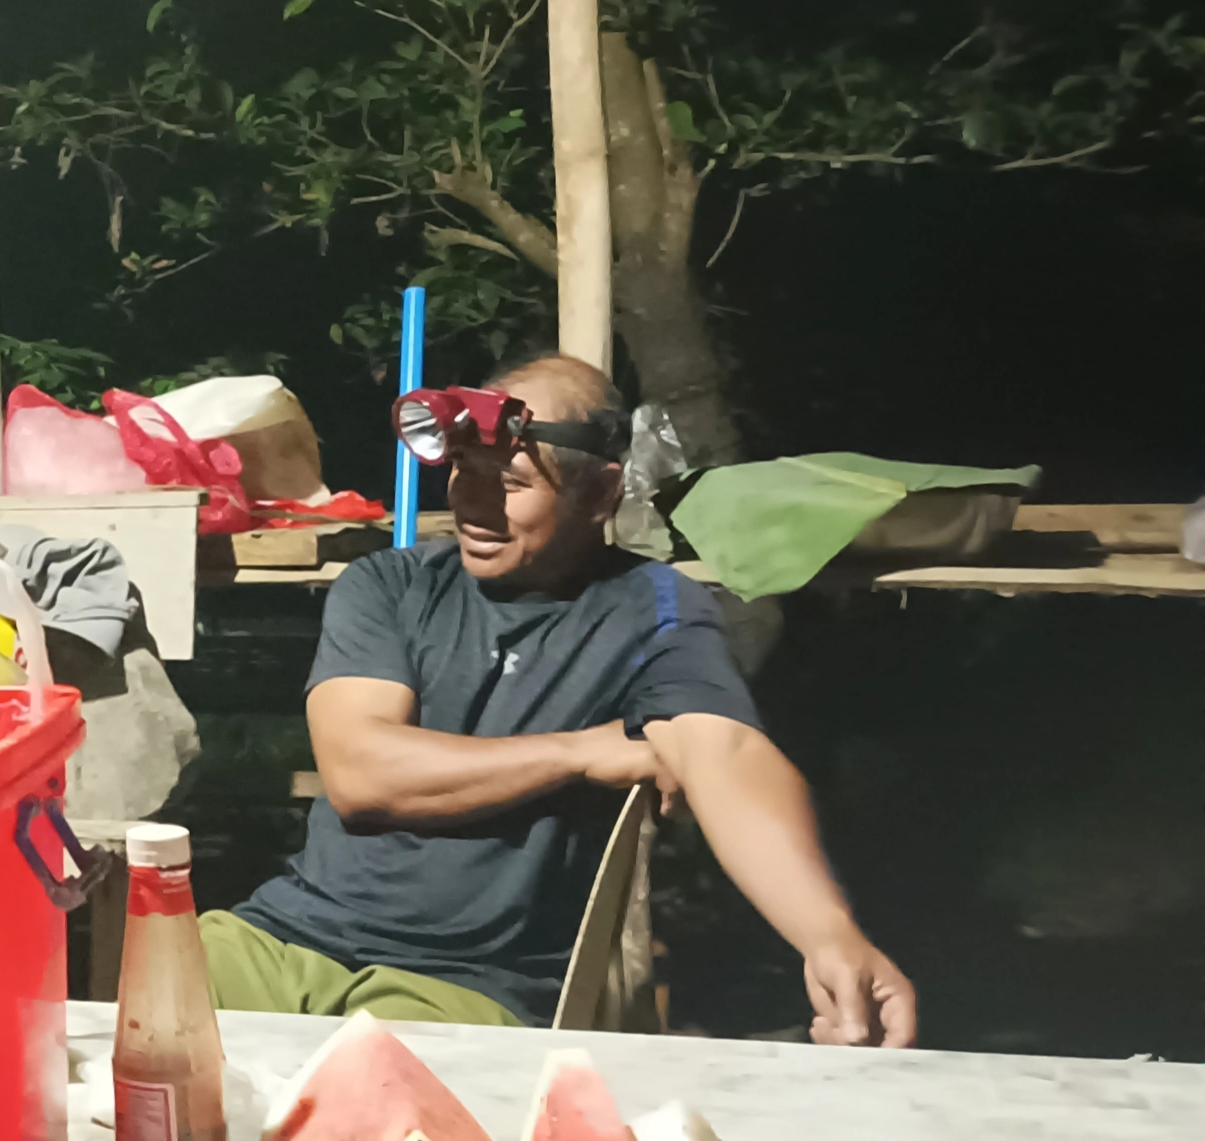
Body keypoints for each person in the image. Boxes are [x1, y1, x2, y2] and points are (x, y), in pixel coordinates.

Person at [201, 353, 919, 1048]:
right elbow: (361, 773)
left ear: (600, 495)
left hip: (465, 983)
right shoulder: (390, 584)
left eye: (511, 482)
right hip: (283, 938)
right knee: (149, 1004)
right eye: (464, 470)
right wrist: (581, 752)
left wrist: (829, 937)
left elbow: (725, 753)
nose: (473, 503)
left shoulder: (650, 609)